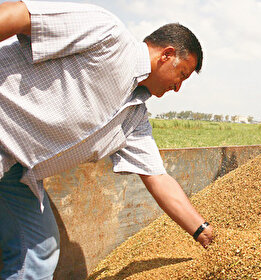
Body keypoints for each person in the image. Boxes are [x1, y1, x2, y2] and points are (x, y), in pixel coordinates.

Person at [0, 1, 214, 279]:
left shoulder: (133, 119)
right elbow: (21, 15)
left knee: (39, 250)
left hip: (18, 172)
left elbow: (158, 178)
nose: (177, 87)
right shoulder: (107, 35)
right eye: (181, 75)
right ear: (167, 54)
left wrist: (202, 231)